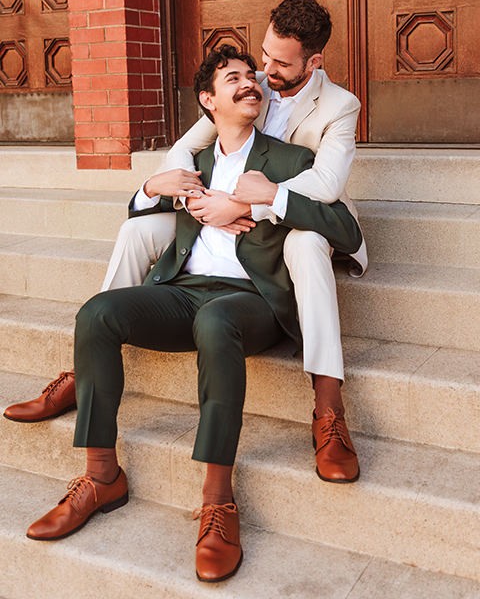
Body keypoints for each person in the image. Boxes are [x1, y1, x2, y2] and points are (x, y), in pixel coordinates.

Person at [23, 46, 362, 583]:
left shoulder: (288, 160)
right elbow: (138, 214)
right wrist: (149, 187)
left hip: (249, 302)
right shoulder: (193, 165)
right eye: (235, 78)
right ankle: (100, 475)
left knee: (215, 322)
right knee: (97, 313)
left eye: (253, 77)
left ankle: (218, 499)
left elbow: (347, 232)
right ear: (208, 100)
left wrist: (267, 198)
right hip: (183, 291)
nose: (251, 83)